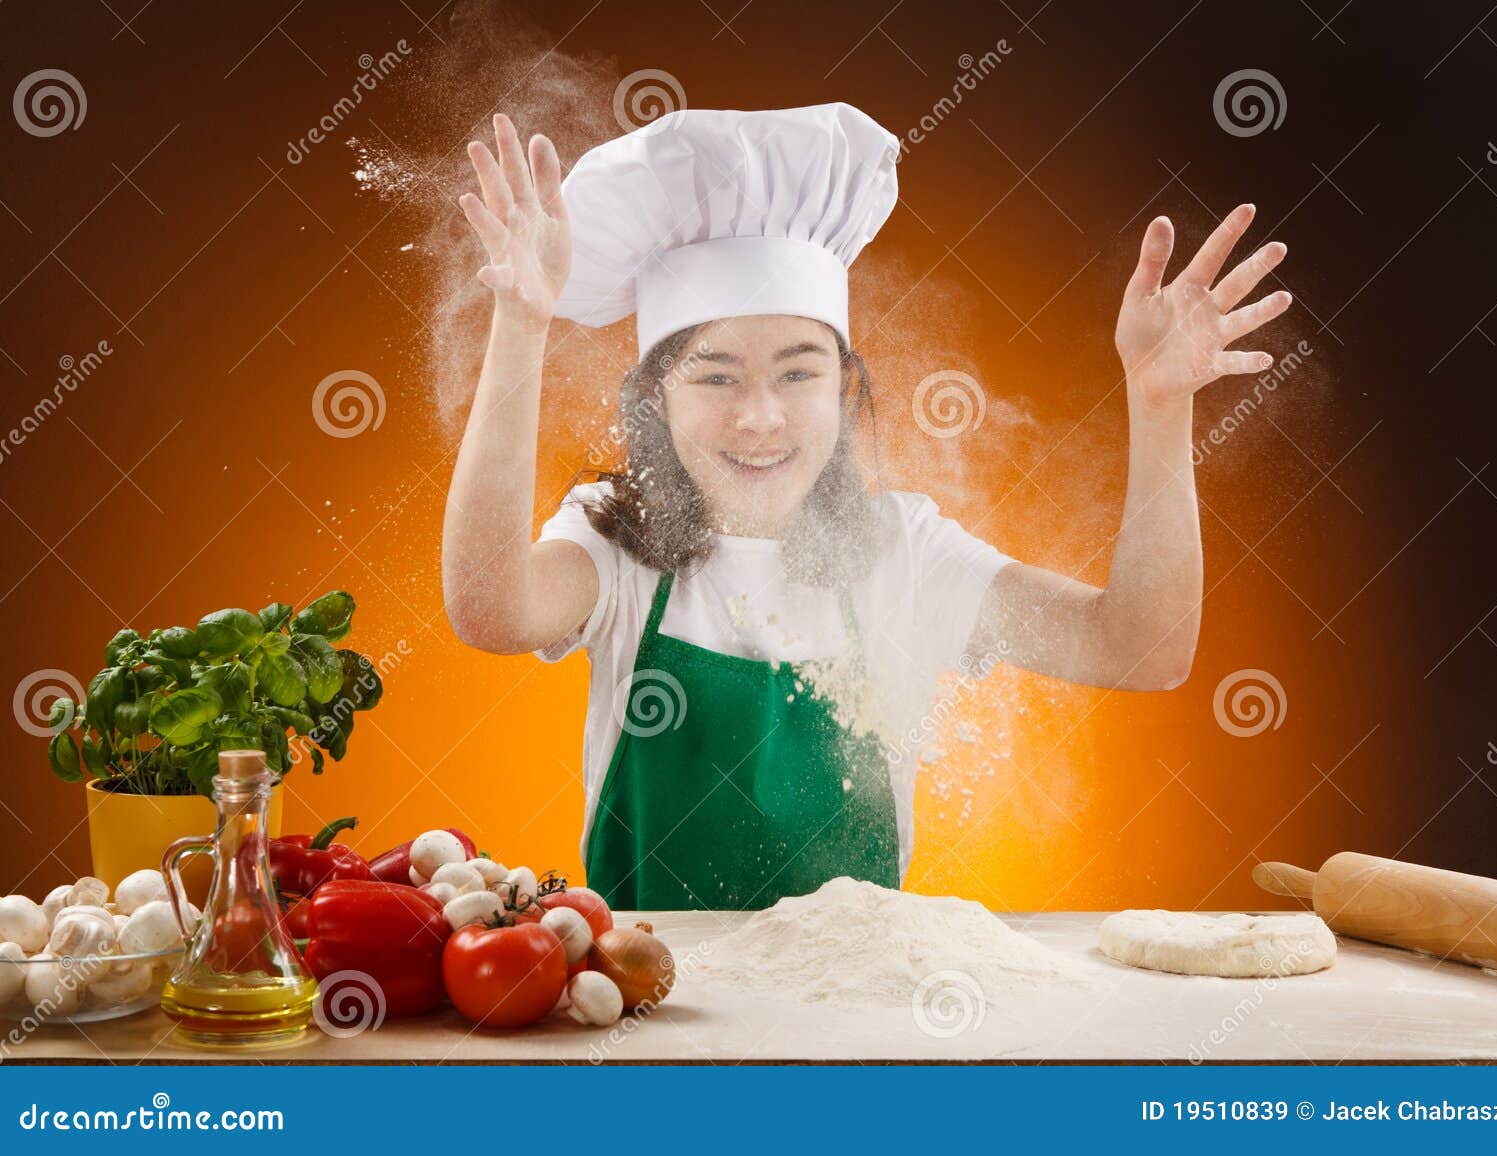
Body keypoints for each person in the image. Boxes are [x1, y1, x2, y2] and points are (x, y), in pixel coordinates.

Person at [442, 104, 1291, 910]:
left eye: (798, 371)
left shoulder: (905, 555)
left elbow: (1140, 647)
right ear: (655, 396)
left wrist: (1159, 403)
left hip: (856, 1029)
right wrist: (521, 324)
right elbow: (489, 607)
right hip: (647, 1016)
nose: (760, 416)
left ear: (844, 389)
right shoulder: (615, 548)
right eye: (715, 374)